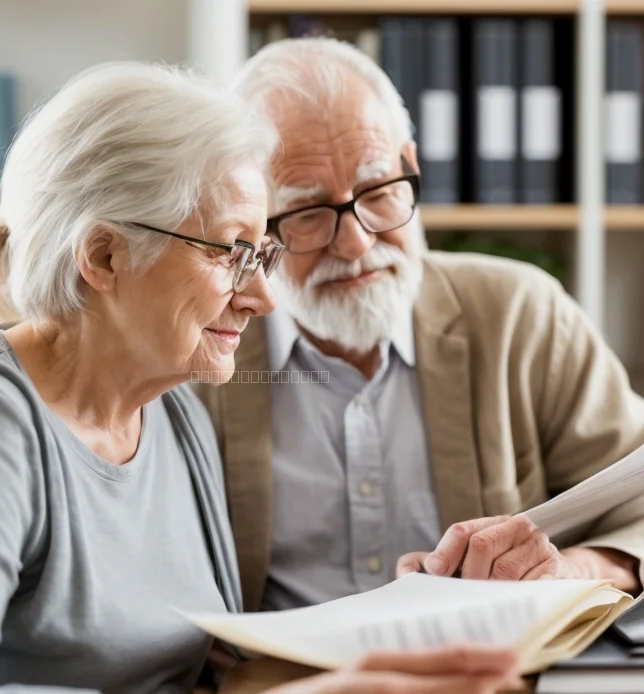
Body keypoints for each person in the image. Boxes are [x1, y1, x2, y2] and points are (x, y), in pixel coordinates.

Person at [0, 61, 517, 694]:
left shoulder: (175, 415)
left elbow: (208, 665)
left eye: (261, 253)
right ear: (104, 255)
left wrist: (399, 633)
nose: (263, 298)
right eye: (232, 253)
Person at [195, 37, 644, 614]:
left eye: (378, 191)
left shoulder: (522, 314)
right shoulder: (202, 348)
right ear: (253, 222)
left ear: (410, 167)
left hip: (494, 684)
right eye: (306, 212)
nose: (355, 241)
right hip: (277, 691)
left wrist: (569, 573)